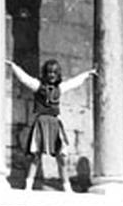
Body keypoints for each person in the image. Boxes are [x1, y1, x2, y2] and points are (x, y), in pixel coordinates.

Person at [6, 58, 96, 191]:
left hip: (55, 123)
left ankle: (67, 187)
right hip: (41, 123)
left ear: (58, 74)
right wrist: (13, 66)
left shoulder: (60, 88)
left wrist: (87, 74)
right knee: (36, 155)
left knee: (61, 157)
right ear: (45, 74)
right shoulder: (38, 86)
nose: (52, 75)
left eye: (54, 72)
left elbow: (73, 83)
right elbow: (25, 79)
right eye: (49, 72)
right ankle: (28, 185)